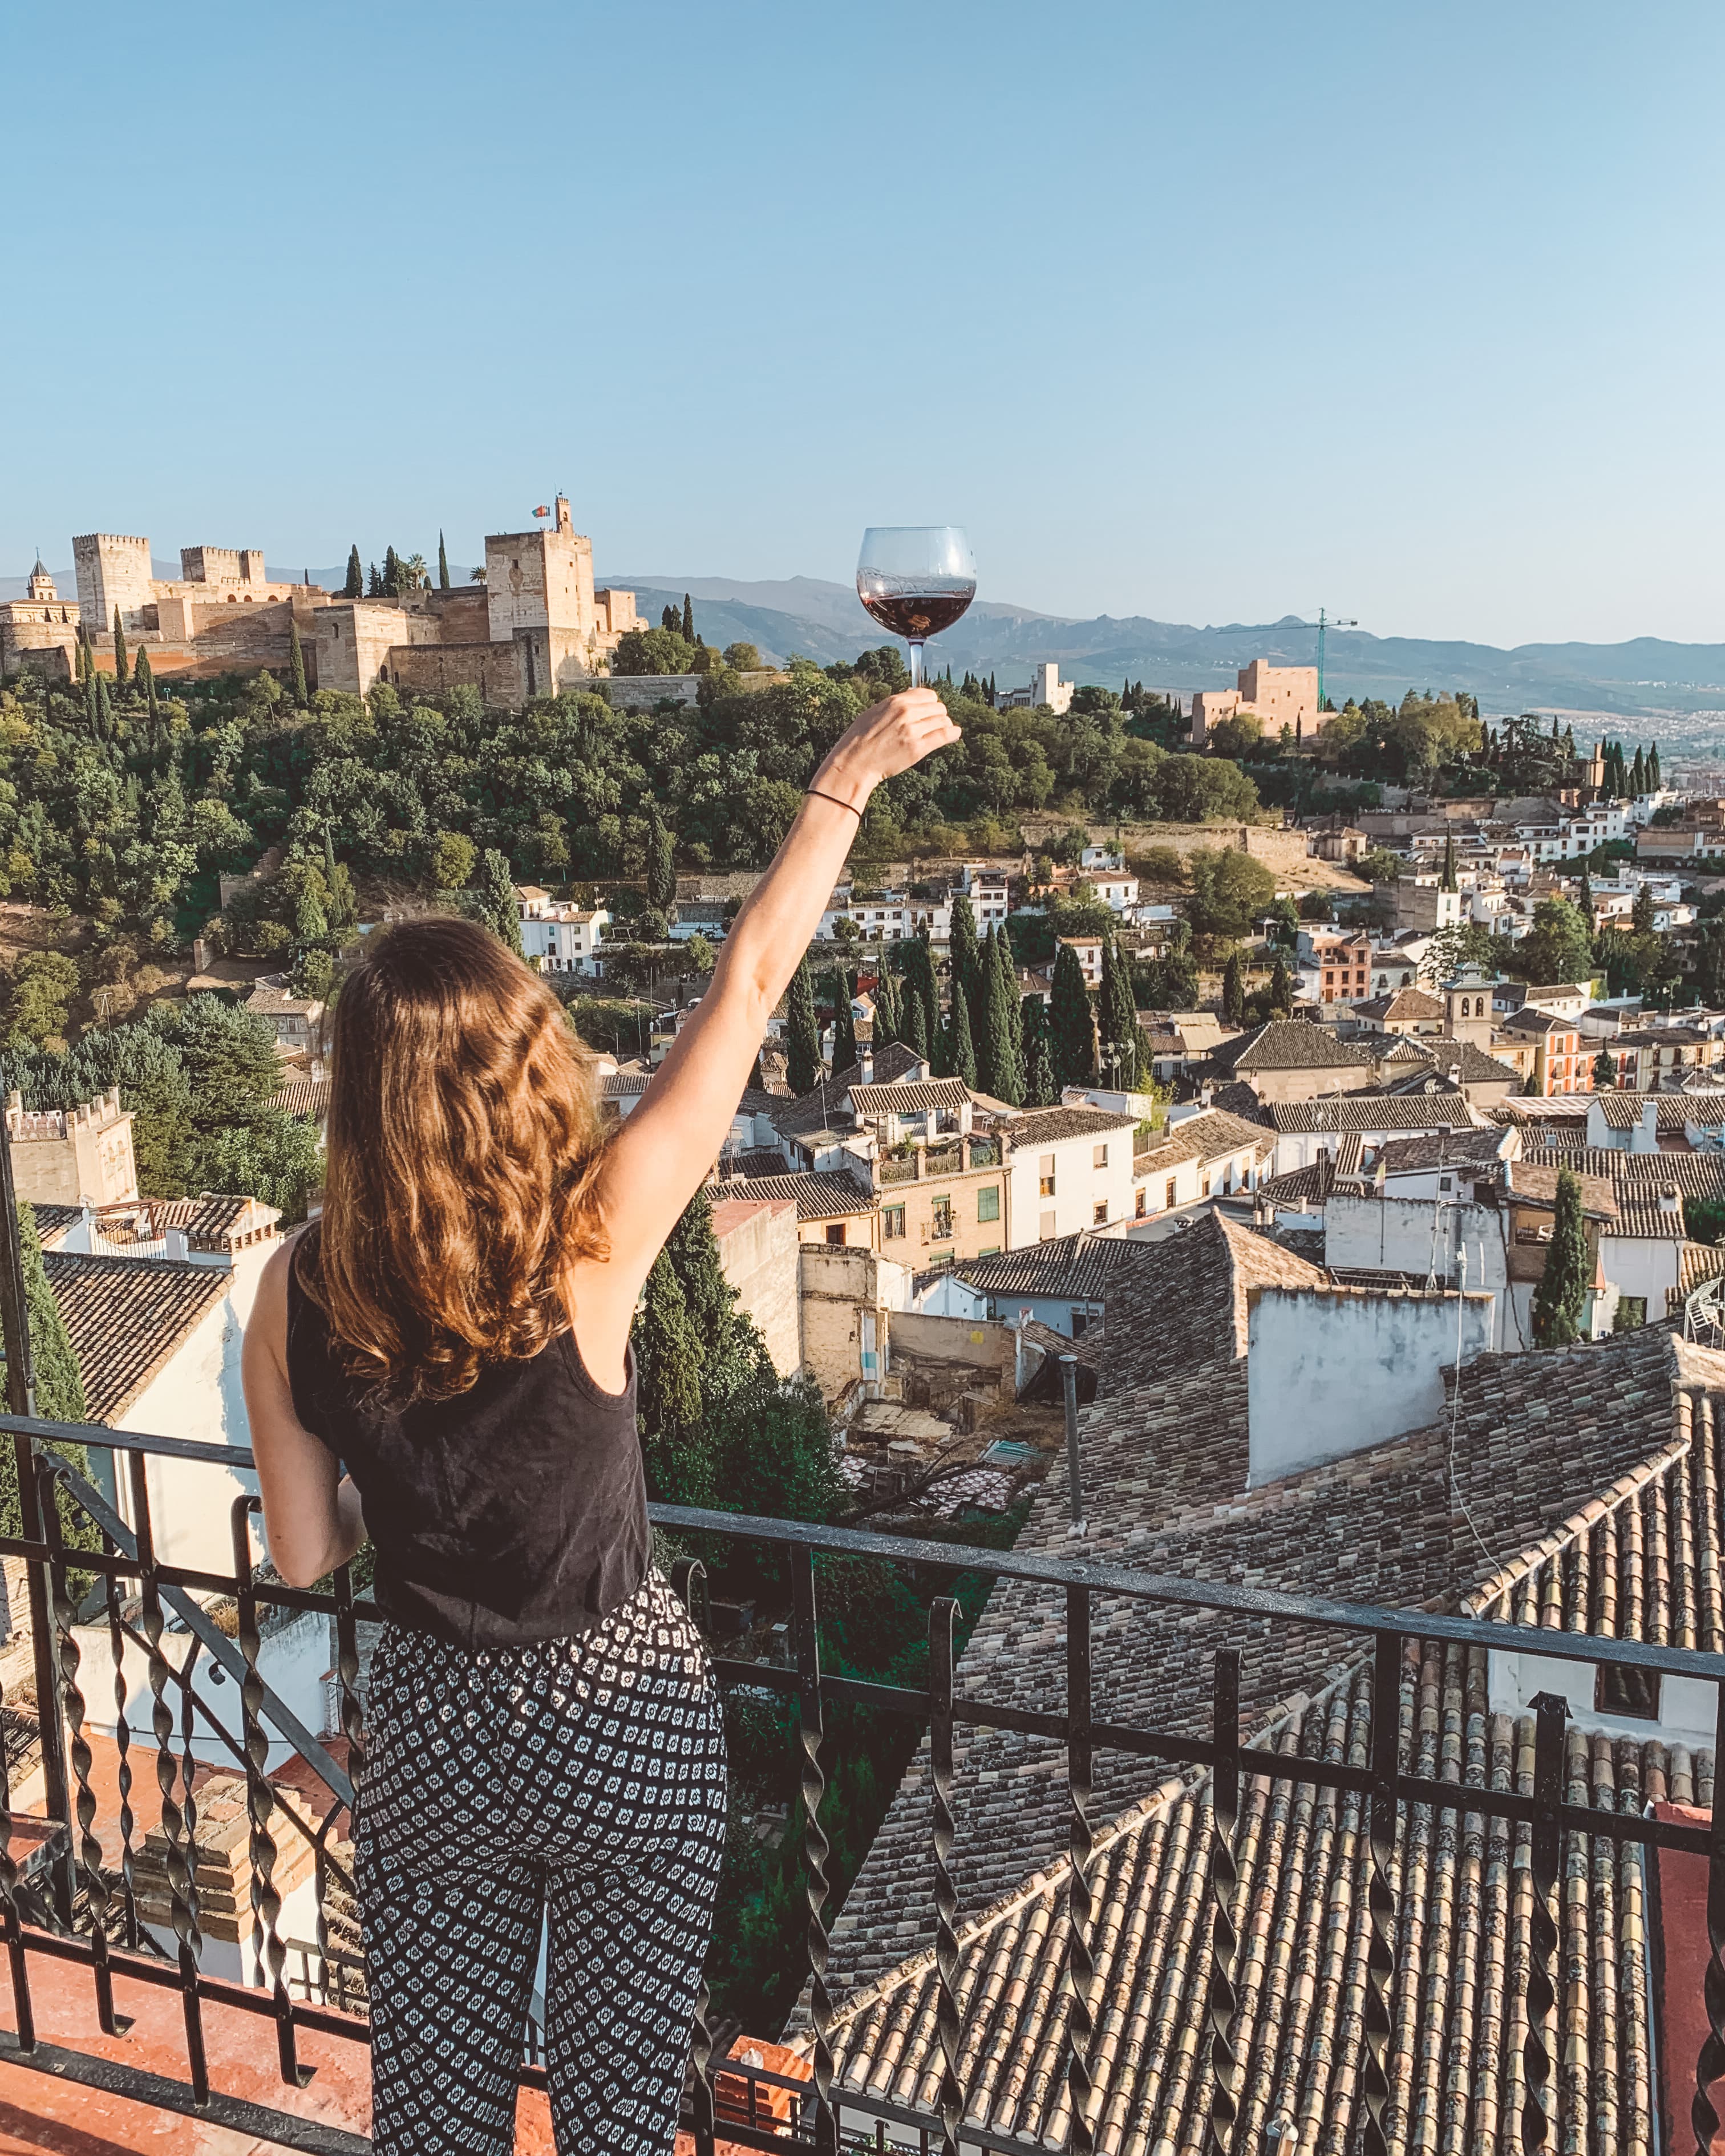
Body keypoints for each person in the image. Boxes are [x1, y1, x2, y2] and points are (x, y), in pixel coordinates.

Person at [241, 685, 960, 2155]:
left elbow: (308, 1557)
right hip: (620, 1710)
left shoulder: (294, 1288)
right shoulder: (591, 1240)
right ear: (519, 1071)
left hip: (437, 1722)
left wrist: (414, 1473)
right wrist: (845, 780)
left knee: (437, 2112)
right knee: (622, 2109)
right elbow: (750, 987)